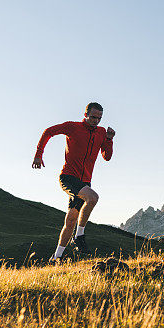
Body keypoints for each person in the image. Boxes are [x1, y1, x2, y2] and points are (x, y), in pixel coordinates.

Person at [32, 102, 115, 263]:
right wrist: (38, 153)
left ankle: (56, 258)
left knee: (70, 220)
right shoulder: (73, 127)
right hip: (68, 177)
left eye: (99, 118)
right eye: (93, 117)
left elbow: (107, 156)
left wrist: (109, 139)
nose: (96, 121)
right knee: (93, 198)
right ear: (85, 115)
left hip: (85, 182)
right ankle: (79, 236)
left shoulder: (101, 132)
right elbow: (48, 132)